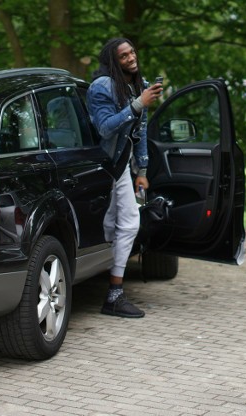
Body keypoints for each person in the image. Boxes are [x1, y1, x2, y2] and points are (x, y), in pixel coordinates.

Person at [87, 38, 163, 318]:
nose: (131, 57)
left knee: (126, 224)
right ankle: (109, 291)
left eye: (132, 51)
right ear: (112, 61)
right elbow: (106, 129)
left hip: (121, 167)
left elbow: (139, 132)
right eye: (123, 55)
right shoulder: (101, 87)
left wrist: (141, 171)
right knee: (111, 226)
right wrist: (137, 104)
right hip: (105, 166)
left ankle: (114, 293)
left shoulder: (135, 85)